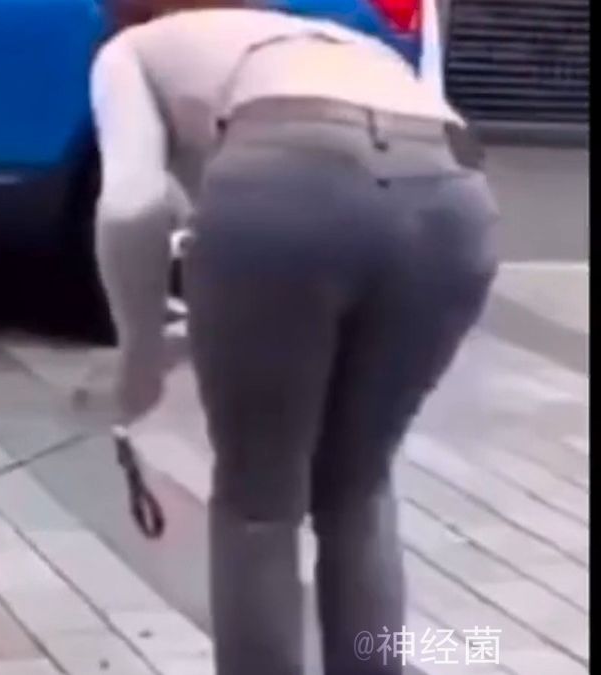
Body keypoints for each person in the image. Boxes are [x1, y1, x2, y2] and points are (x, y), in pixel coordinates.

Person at [89, 2, 498, 674]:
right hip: (456, 197)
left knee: (259, 503)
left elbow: (133, 205)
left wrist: (139, 359)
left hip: (285, 188)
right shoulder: (333, 39)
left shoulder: (131, 51)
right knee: (359, 487)